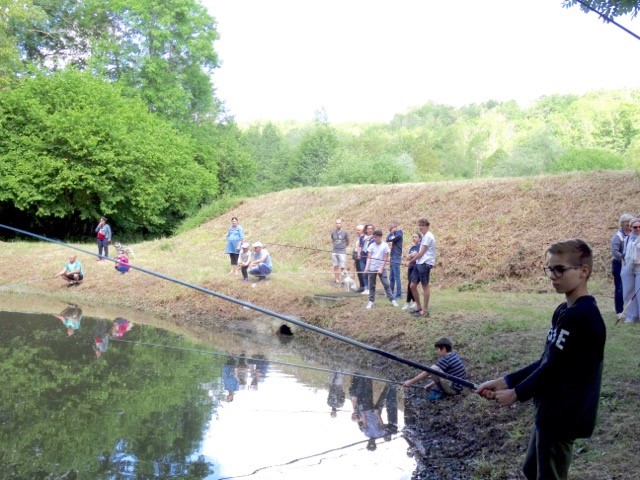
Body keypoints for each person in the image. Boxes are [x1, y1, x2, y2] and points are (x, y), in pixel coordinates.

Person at [476, 238, 606, 480]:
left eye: (560, 269)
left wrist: (517, 393)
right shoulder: (563, 311)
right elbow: (546, 361)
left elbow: (555, 370)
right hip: (548, 412)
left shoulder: (584, 317)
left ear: (583, 271)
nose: (553, 276)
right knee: (532, 470)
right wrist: (505, 381)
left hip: (563, 416)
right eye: (550, 269)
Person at [403, 336, 466, 401]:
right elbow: (443, 375)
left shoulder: (446, 360)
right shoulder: (453, 355)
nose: (436, 351)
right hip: (458, 387)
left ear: (443, 349)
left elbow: (428, 371)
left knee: (433, 369)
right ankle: (443, 391)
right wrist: (431, 385)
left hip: (454, 389)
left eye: (437, 349)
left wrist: (410, 382)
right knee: (435, 370)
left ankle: (446, 394)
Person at [407, 218, 436, 317]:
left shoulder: (428, 236)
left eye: (422, 225)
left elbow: (422, 253)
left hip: (425, 264)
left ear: (427, 226)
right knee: (412, 285)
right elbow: (420, 253)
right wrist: (413, 257)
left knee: (425, 286)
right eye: (419, 225)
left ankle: (425, 310)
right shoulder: (424, 237)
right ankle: (418, 307)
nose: (420, 227)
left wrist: (410, 262)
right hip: (419, 263)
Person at [364, 229, 398, 309]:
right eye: (373, 237)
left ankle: (392, 300)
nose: (374, 239)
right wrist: (366, 268)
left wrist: (381, 269)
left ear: (380, 237)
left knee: (386, 284)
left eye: (376, 237)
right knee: (372, 285)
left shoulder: (385, 246)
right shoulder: (371, 245)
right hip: (372, 267)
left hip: (381, 268)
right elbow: (368, 258)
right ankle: (371, 301)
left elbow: (385, 258)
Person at [621, 217, 640, 322]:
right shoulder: (628, 238)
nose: (637, 228)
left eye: (639, 227)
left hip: (639, 268)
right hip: (629, 267)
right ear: (631, 228)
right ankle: (631, 316)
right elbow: (625, 253)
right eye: (635, 227)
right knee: (628, 292)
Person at [402, 232, 422, 310]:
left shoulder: (421, 247)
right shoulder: (412, 247)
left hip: (416, 268)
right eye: (413, 237)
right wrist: (410, 257)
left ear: (420, 238)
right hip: (410, 268)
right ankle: (415, 302)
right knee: (410, 285)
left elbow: (417, 255)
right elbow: (408, 257)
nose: (414, 238)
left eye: (416, 237)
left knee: (410, 285)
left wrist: (412, 256)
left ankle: (407, 302)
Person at [386, 220, 403, 300]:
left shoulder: (399, 233)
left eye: (391, 228)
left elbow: (395, 238)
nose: (390, 229)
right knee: (391, 277)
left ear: (394, 227)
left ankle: (399, 294)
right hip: (392, 257)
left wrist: (392, 234)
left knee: (397, 277)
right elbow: (387, 239)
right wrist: (391, 233)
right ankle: (391, 292)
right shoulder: (392, 234)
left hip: (397, 257)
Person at [331, 218, 350, 283]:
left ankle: (344, 280)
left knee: (342, 267)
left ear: (341, 224)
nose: (338, 224)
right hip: (334, 251)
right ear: (335, 224)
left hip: (342, 251)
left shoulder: (345, 232)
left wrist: (344, 247)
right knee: (335, 266)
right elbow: (333, 240)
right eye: (337, 223)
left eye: (339, 223)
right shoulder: (333, 232)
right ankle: (337, 280)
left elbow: (348, 241)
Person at [359, 224, 374, 295]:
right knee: (364, 272)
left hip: (370, 257)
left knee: (370, 273)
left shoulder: (374, 237)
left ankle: (371, 288)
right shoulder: (362, 236)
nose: (370, 230)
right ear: (366, 230)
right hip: (362, 257)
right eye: (368, 228)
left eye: (371, 228)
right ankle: (366, 288)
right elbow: (360, 244)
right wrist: (365, 239)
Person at [352, 225, 365, 292]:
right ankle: (361, 286)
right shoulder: (358, 238)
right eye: (357, 230)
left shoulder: (363, 238)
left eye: (359, 230)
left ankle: (364, 286)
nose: (357, 231)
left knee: (361, 272)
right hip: (356, 257)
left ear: (362, 231)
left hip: (361, 257)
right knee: (359, 272)